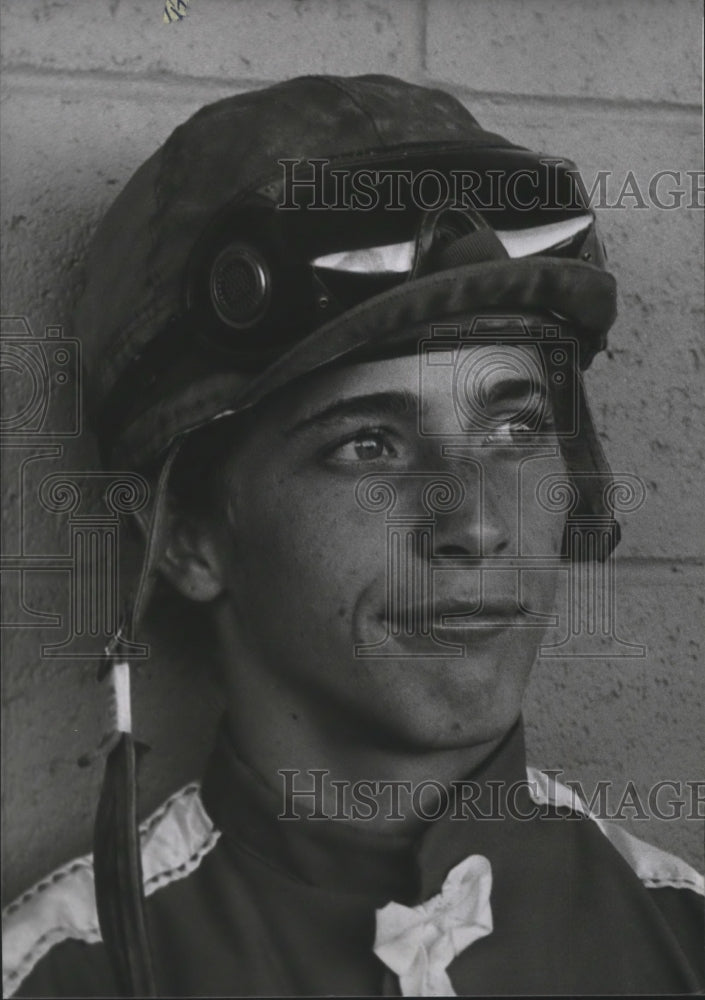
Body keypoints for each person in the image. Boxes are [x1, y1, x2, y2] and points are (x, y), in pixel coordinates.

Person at [2, 74, 703, 998]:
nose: (478, 524)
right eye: (368, 444)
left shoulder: (680, 939)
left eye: (514, 428)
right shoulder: (58, 978)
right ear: (187, 539)